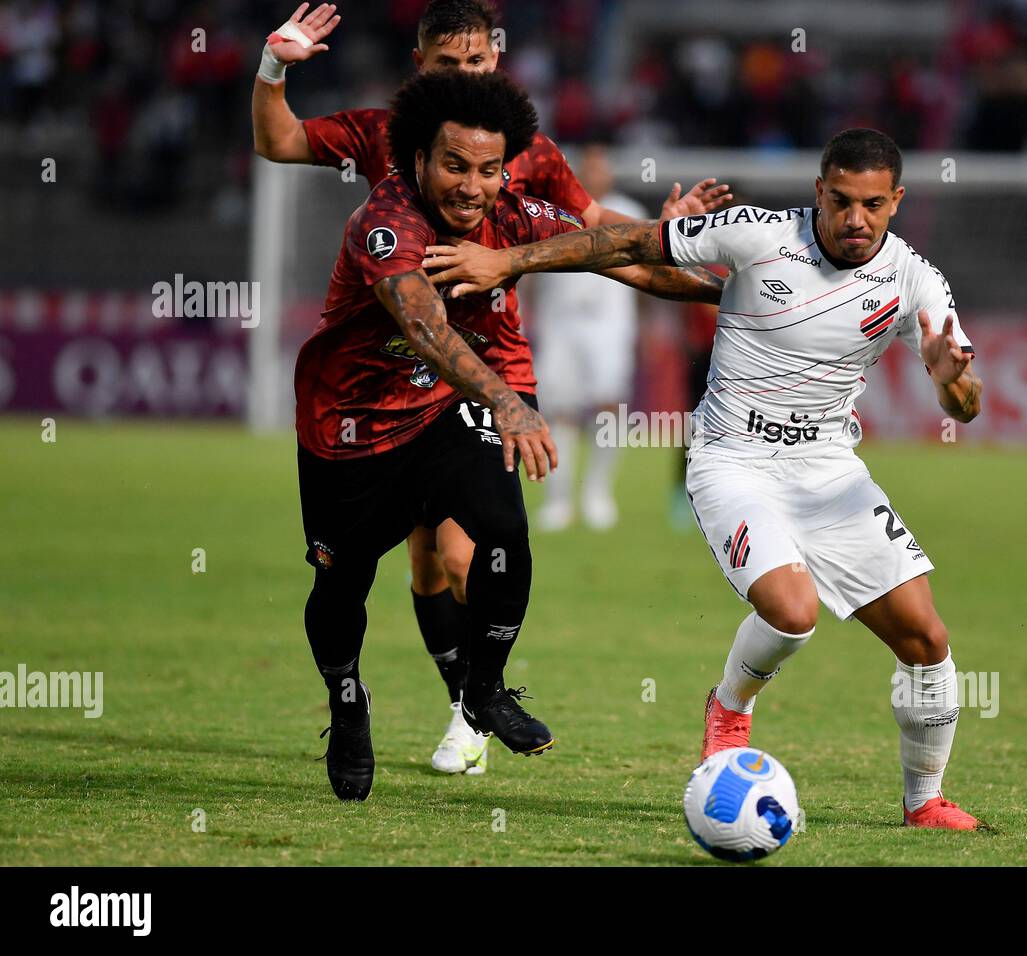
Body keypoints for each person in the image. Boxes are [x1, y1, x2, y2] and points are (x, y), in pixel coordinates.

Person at [424, 128, 987, 829]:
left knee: (927, 640)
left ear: (895, 202)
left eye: (872, 204)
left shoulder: (915, 280)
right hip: (733, 460)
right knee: (793, 611)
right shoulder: (757, 233)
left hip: (830, 472)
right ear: (819, 191)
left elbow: (966, 399)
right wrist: (506, 259)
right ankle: (730, 706)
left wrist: (948, 382)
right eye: (840, 200)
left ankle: (923, 802)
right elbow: (629, 245)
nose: (854, 219)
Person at [252, 0, 731, 775]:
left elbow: (601, 237)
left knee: (483, 542)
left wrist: (716, 272)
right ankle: (350, 700)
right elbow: (420, 322)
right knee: (375, 576)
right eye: (452, 63)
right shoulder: (383, 199)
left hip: (474, 373)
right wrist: (275, 67)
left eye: (480, 62)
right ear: (421, 70)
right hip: (361, 403)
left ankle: (479, 695)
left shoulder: (521, 161)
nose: (475, 183)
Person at [527, 143, 647, 531]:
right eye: (588, 168)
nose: (595, 175)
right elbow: (527, 272)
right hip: (558, 323)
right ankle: (559, 501)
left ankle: (597, 495)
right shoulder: (550, 211)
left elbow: (649, 278)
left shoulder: (630, 212)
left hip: (611, 326)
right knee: (558, 409)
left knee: (608, 407)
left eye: (601, 167)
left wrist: (641, 329)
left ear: (609, 172)